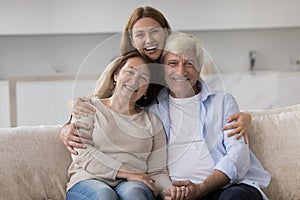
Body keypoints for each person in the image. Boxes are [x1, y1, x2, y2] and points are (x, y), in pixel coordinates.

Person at [60, 6, 252, 155]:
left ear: (165, 33)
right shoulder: (126, 67)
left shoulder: (176, 64)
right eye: (140, 35)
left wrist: (246, 116)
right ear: (132, 40)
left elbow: (204, 100)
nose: (149, 40)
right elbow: (92, 102)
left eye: (154, 32)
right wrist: (66, 126)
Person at [152, 32, 270, 200]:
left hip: (226, 188)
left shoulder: (223, 102)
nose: (181, 71)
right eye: (173, 63)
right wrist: (169, 191)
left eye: (189, 63)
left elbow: (238, 156)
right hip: (175, 194)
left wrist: (201, 189)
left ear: (199, 68)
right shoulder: (153, 108)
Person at [66, 51, 175, 200]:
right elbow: (82, 154)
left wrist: (169, 192)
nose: (135, 80)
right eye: (130, 72)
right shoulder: (87, 108)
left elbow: (158, 170)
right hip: (89, 180)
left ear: (147, 89)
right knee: (104, 195)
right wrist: (130, 172)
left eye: (143, 78)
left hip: (133, 183)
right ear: (116, 75)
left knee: (135, 194)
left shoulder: (153, 122)